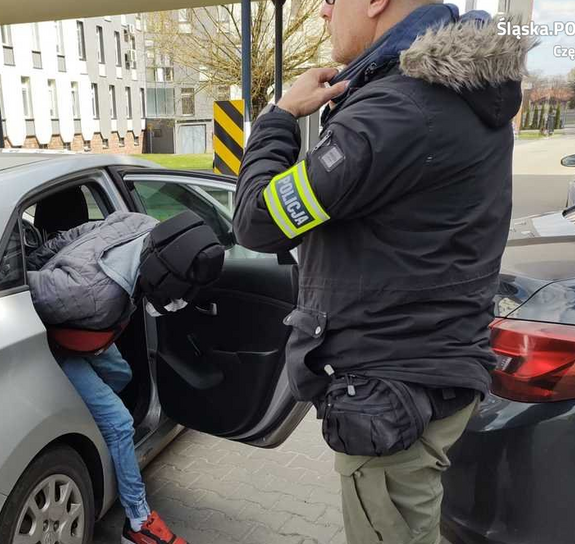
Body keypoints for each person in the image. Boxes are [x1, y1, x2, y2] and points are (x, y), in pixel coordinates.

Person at [232, 1, 533, 543]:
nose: (322, 12)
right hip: (430, 373)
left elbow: (258, 221)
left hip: (391, 390)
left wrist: (278, 116)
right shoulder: (459, 97)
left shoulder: (396, 113)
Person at [26, 210, 224, 544]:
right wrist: (36, 264)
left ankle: (95, 426)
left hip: (89, 331)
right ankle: (138, 521)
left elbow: (79, 232)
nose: (178, 301)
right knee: (119, 422)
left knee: (122, 374)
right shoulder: (91, 296)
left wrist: (43, 255)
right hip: (54, 341)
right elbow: (25, 291)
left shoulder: (143, 225)